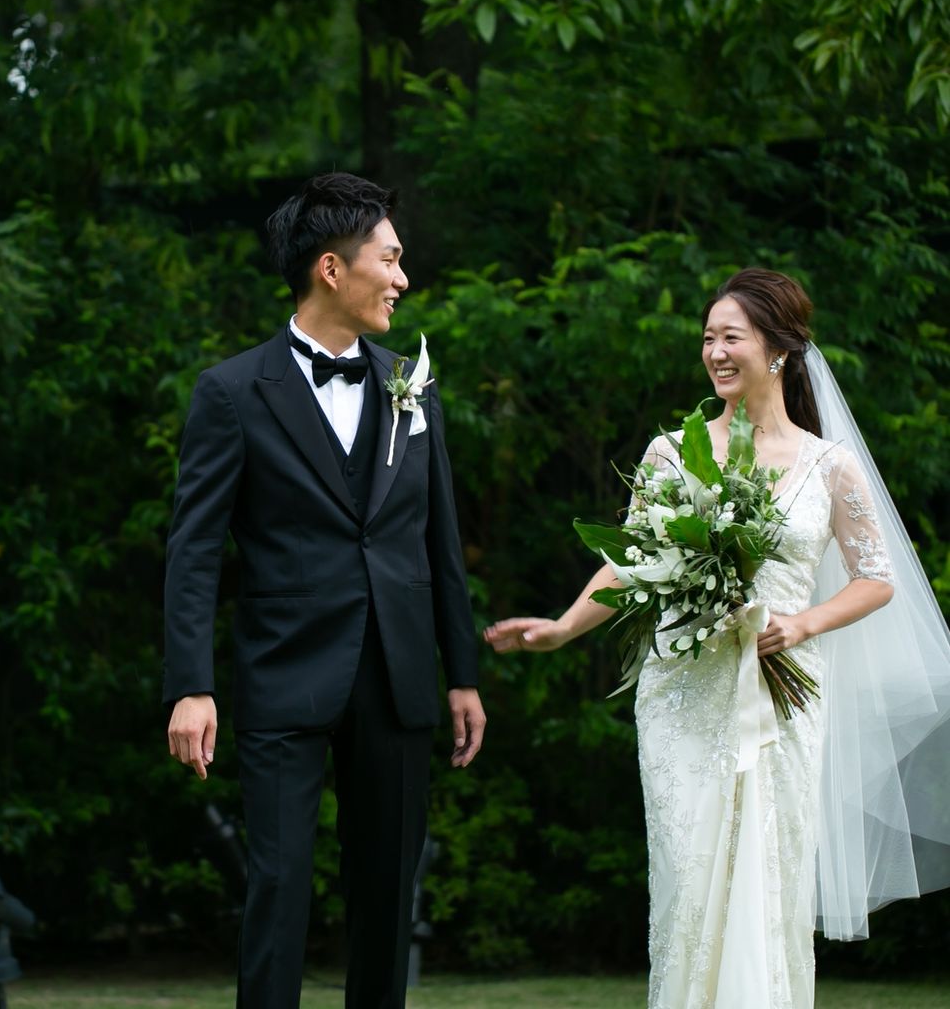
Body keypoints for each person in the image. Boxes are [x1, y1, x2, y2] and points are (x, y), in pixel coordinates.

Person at [485, 268, 950, 1009]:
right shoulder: (671, 453)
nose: (715, 352)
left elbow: (876, 579)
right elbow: (631, 561)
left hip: (783, 697)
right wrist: (564, 626)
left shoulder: (830, 465)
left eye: (732, 337)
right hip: (683, 693)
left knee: (771, 872)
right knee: (688, 874)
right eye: (708, 338)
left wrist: (802, 623)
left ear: (779, 349)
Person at [163, 171, 485, 1009]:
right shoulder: (232, 392)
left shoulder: (413, 385)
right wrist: (191, 685)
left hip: (397, 673)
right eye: (391, 259)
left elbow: (438, 538)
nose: (403, 278)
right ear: (332, 269)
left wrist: (461, 672)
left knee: (387, 895)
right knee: (277, 891)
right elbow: (194, 551)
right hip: (284, 671)